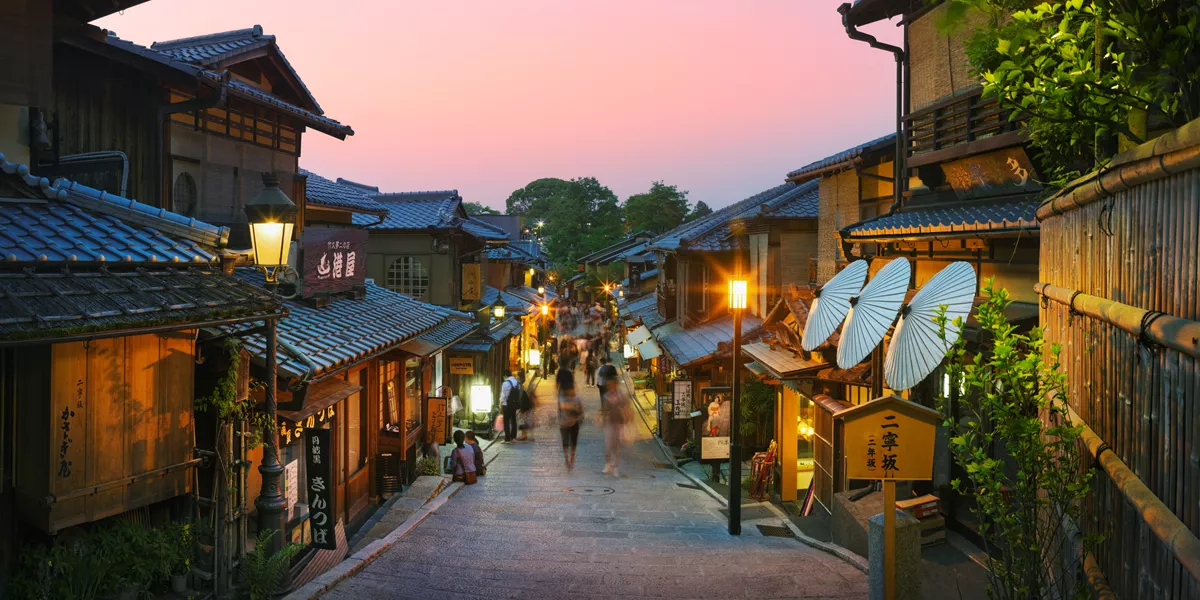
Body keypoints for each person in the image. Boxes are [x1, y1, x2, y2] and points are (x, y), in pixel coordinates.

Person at [602, 379, 632, 478]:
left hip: (619, 424)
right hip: (610, 424)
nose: (610, 386)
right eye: (609, 385)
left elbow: (628, 409)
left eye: (612, 384)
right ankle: (608, 464)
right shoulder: (606, 396)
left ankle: (615, 467)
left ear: (616, 385)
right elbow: (604, 410)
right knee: (608, 446)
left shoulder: (622, 396)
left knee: (616, 447)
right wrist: (603, 420)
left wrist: (626, 420)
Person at [556, 362, 583, 470]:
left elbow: (580, 410)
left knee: (573, 442)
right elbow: (563, 407)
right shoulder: (563, 398)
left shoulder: (576, 398)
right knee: (566, 442)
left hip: (573, 422)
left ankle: (571, 459)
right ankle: (567, 459)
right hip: (565, 423)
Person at [500, 370, 520, 443]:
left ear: (505, 376)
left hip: (507, 404)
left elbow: (503, 396)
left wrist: (501, 405)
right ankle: (513, 437)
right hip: (514, 404)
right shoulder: (517, 382)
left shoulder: (505, 383)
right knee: (513, 420)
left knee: (506, 421)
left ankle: (507, 438)